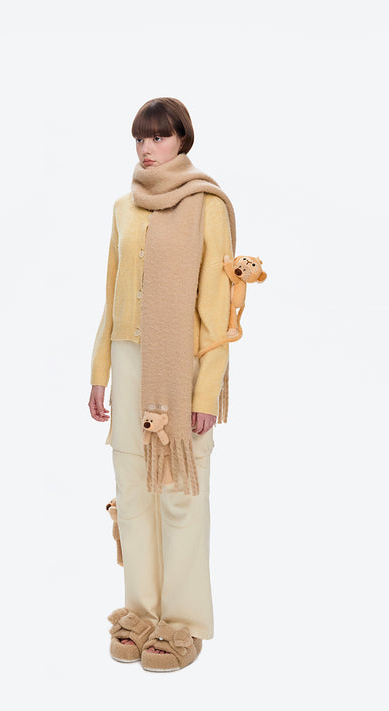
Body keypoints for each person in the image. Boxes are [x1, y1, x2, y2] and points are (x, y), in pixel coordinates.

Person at [88, 97, 236, 672]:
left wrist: (206, 392)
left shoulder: (207, 206)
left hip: (180, 373)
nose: (147, 148)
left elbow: (217, 311)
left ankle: (183, 623)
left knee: (180, 496)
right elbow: (111, 297)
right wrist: (99, 373)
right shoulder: (123, 208)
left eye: (159, 137)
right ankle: (141, 613)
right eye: (140, 139)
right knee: (132, 493)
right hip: (128, 365)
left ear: (182, 140)